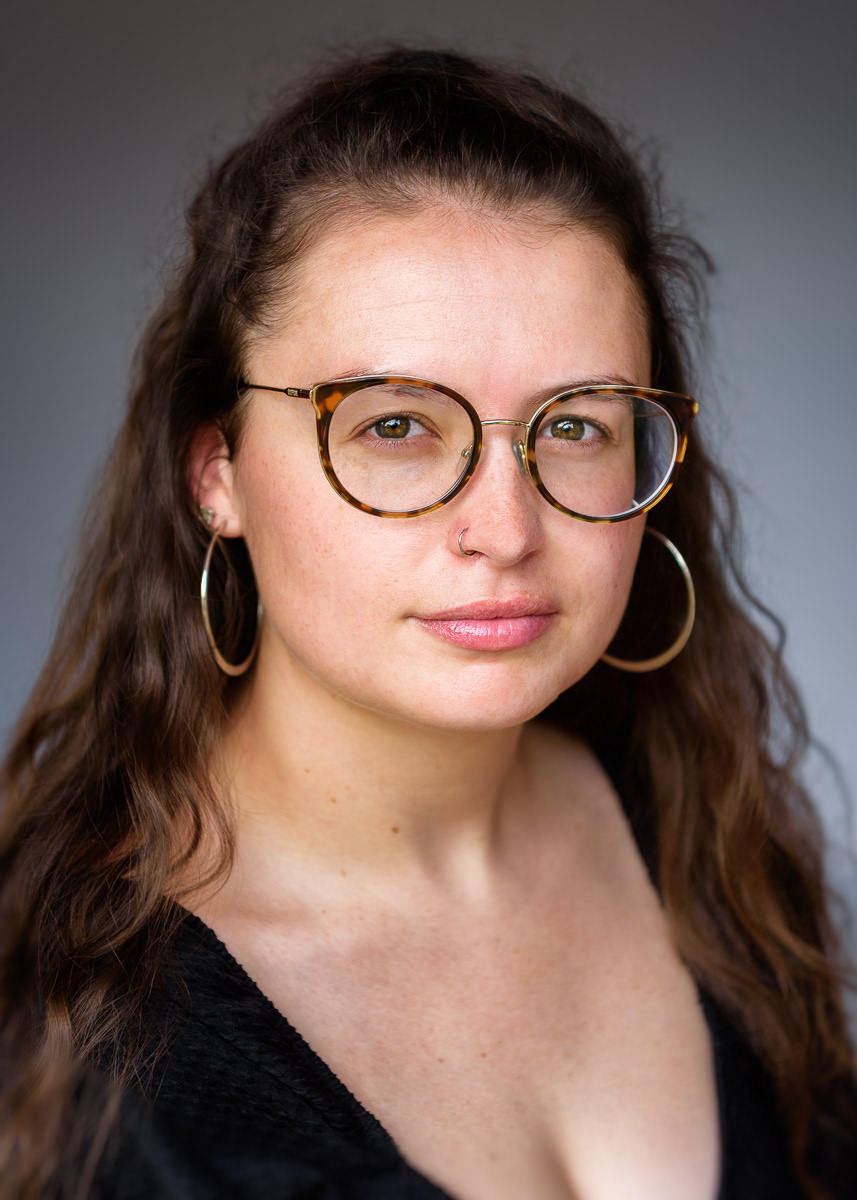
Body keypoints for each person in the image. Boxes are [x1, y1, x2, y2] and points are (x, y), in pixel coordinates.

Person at [0, 44, 854, 1200]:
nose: (503, 530)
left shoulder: (703, 836)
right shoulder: (86, 1034)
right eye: (394, 426)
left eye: (575, 425)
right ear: (217, 473)